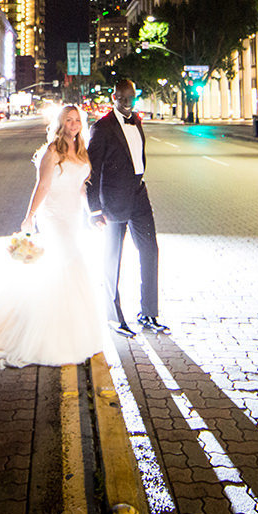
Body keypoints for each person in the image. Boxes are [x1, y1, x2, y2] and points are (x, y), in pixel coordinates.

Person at [0, 105, 109, 369]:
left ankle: (68, 330)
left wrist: (92, 213)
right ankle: (48, 336)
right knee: (71, 265)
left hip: (73, 217)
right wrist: (30, 216)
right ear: (60, 123)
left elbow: (82, 188)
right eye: (68, 120)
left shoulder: (81, 150)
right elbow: (43, 185)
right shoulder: (53, 150)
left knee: (70, 270)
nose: (73, 124)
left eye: (76, 120)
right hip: (54, 217)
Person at [86, 78, 167, 337]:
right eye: (122, 98)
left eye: (131, 98)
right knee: (113, 257)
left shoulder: (138, 120)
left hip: (138, 194)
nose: (127, 103)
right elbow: (93, 170)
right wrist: (94, 209)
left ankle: (149, 313)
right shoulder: (102, 127)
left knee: (150, 251)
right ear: (114, 97)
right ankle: (113, 316)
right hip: (113, 200)